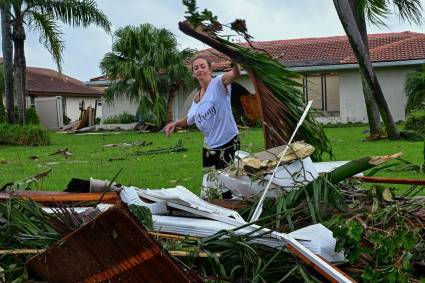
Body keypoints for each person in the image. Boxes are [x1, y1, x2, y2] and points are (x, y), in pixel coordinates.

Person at [164, 55, 241, 170]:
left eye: (202, 66)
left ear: (210, 69)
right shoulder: (197, 97)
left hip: (228, 143)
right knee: (209, 184)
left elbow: (235, 73)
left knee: (228, 183)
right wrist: (175, 123)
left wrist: (235, 61)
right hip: (209, 147)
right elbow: (190, 119)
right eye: (196, 68)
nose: (199, 69)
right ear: (194, 73)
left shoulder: (218, 83)